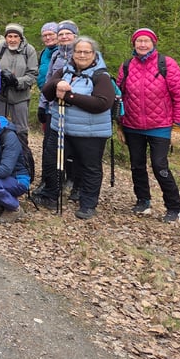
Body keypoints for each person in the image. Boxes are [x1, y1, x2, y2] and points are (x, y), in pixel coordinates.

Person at [118, 28, 180, 223]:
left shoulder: (166, 64)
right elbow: (119, 97)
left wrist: (178, 126)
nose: (142, 44)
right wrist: (120, 125)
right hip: (132, 125)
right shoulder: (126, 66)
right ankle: (143, 201)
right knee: (137, 165)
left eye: (146, 41)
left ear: (153, 43)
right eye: (139, 41)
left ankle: (174, 208)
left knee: (160, 166)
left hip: (161, 126)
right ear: (134, 44)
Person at [40, 36, 114, 219]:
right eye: (78, 51)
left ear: (94, 54)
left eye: (86, 52)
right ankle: (50, 195)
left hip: (90, 133)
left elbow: (102, 103)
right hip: (61, 128)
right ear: (72, 53)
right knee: (52, 162)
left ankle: (88, 204)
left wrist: (69, 96)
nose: (82, 55)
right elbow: (47, 91)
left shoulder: (101, 76)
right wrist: (56, 83)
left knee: (90, 167)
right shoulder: (65, 71)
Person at [33, 20, 79, 202]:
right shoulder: (54, 55)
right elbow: (48, 81)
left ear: (75, 35)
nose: (64, 37)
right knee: (49, 148)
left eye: (68, 34)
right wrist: (42, 104)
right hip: (53, 108)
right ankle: (50, 182)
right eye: (61, 34)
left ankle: (75, 183)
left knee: (74, 149)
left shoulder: (82, 53)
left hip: (76, 109)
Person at [0, 23, 38, 170]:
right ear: (5, 37)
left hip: (20, 97)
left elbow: (33, 74)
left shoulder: (29, 50)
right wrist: (1, 79)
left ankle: (24, 165)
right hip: (1, 96)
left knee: (20, 131)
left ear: (20, 37)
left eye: (15, 36)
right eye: (9, 36)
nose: (12, 39)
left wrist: (17, 81)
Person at [36, 22, 60, 134]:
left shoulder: (62, 53)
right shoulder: (44, 53)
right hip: (45, 96)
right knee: (47, 132)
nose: (48, 38)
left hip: (56, 99)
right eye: (45, 35)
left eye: (51, 34)